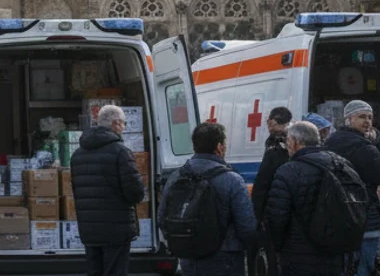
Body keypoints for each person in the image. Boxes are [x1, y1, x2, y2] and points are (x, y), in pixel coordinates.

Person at [159, 122, 256, 275]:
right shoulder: (232, 180)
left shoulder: (176, 177)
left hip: (189, 258)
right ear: (219, 147)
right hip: (226, 258)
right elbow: (247, 227)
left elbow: (162, 218)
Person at [266, 120, 352, 276]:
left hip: (298, 255)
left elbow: (277, 217)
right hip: (335, 252)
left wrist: (278, 248)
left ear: (293, 142)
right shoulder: (341, 164)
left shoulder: (287, 171)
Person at [70, 104, 145, 276]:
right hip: (116, 229)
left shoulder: (78, 154)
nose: (124, 127)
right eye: (123, 123)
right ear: (116, 123)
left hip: (89, 228)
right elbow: (135, 191)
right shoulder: (121, 152)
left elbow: (76, 189)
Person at [325, 101, 380, 276]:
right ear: (349, 119)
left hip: (339, 217)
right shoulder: (365, 149)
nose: (368, 121)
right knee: (364, 267)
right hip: (366, 219)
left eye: (370, 117)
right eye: (362, 117)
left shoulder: (331, 142)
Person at [253, 107, 293, 276]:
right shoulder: (272, 142)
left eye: (272, 121)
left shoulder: (278, 147)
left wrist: (257, 216)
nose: (268, 124)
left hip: (280, 210)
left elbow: (262, 184)